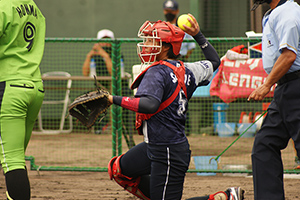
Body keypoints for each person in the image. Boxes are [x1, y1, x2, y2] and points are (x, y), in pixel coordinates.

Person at [107, 14, 244, 200]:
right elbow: (214, 62)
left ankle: (224, 198)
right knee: (119, 170)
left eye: (151, 41)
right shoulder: (187, 68)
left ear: (166, 47)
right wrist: (198, 35)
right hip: (155, 145)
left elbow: (149, 105)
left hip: (168, 150)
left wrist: (111, 99)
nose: (146, 44)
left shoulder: (156, 71)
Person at [248, 0, 300, 199]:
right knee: (264, 144)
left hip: (296, 86)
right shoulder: (274, 13)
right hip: (285, 88)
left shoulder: (288, 13)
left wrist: (266, 84)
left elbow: (288, 56)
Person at [0, 0, 46, 199]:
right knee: (12, 158)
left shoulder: (3, 5)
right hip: (34, 85)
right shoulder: (34, 7)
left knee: (12, 160)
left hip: (9, 86)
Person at [82, 29, 132, 134]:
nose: (105, 43)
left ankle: (121, 127)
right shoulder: (95, 56)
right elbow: (85, 73)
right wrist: (89, 56)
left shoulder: (117, 55)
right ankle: (100, 127)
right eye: (103, 41)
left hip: (118, 87)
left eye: (108, 40)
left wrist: (105, 55)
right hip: (100, 87)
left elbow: (114, 73)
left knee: (125, 97)